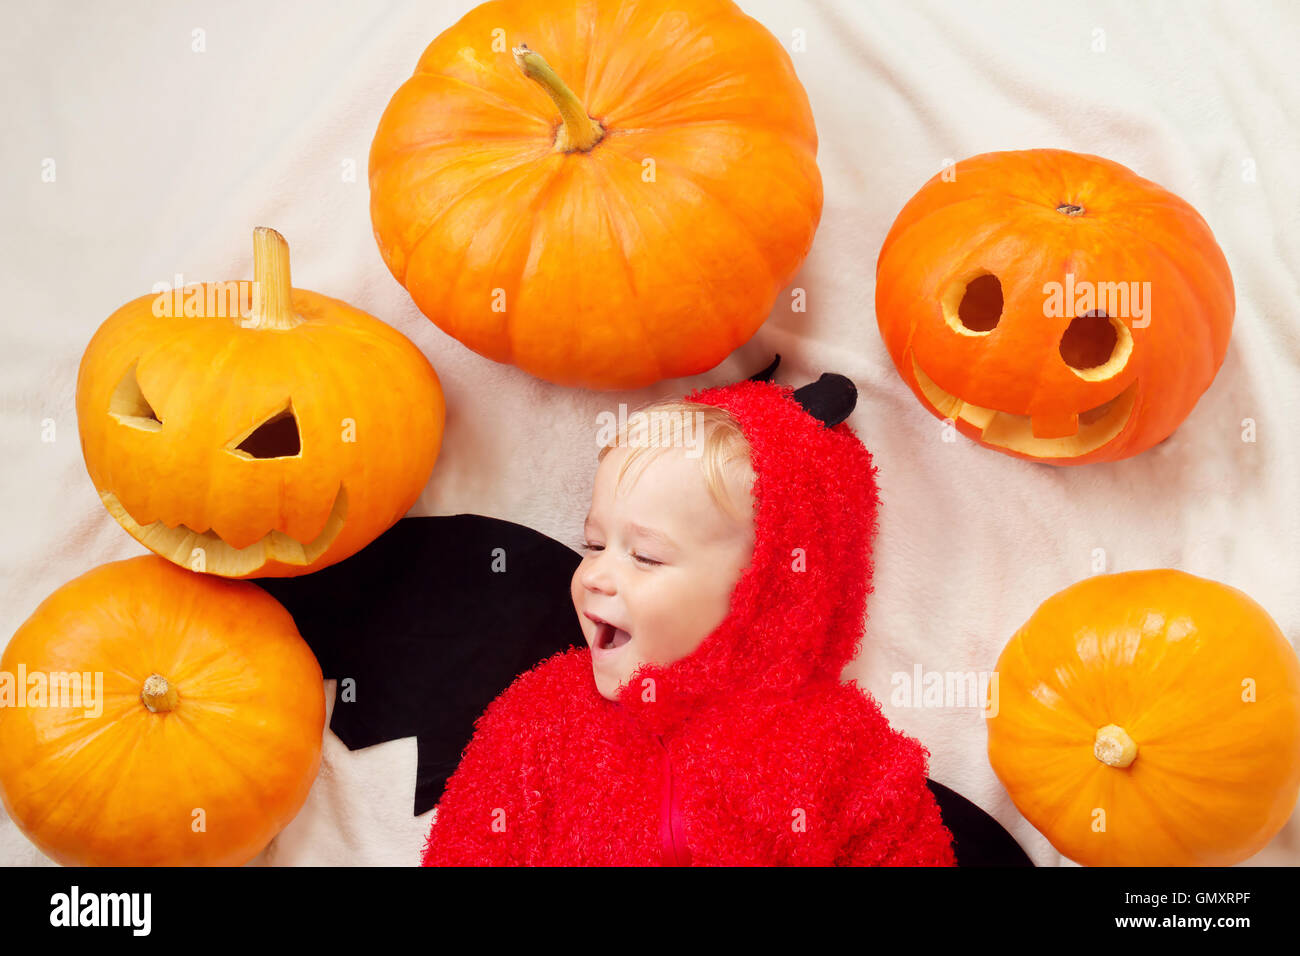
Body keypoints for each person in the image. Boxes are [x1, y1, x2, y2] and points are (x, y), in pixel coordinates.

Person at [422, 367, 955, 865]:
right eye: (593, 545)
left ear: (765, 586)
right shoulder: (538, 722)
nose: (594, 576)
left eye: (645, 557)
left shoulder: (845, 754)